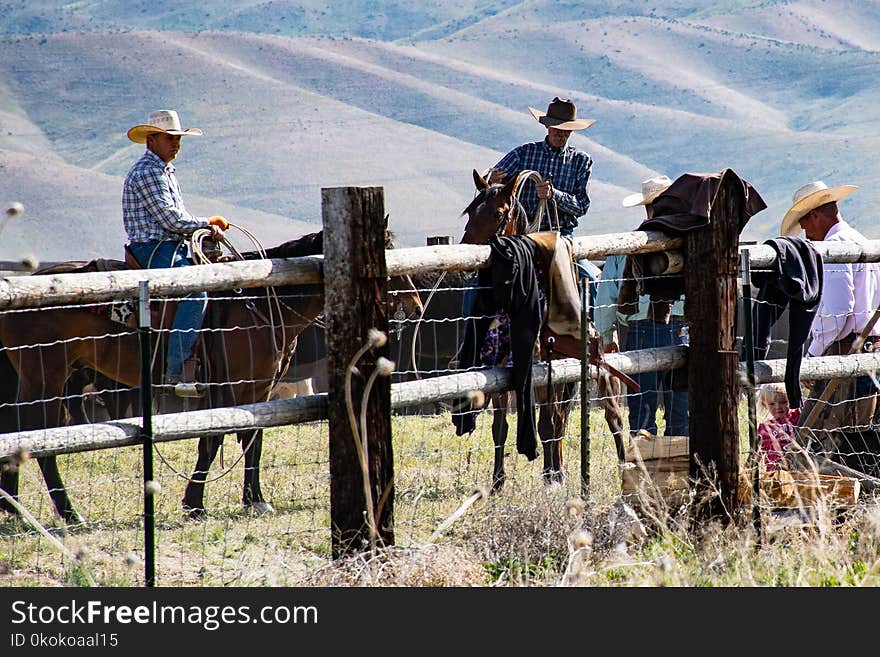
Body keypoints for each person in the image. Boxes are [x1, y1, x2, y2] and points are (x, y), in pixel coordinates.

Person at [123, 109, 229, 395]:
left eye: (178, 138)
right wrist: (208, 223)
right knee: (196, 293)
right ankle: (176, 369)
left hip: (170, 245)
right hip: (152, 248)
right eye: (169, 138)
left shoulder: (164, 170)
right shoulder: (148, 172)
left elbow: (176, 217)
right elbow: (171, 220)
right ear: (151, 141)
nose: (176, 144)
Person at [780, 180, 880, 432]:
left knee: (824, 436)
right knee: (858, 433)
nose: (806, 234)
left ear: (814, 215)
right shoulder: (862, 241)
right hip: (869, 351)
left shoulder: (833, 248)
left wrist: (812, 357)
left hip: (844, 351)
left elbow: (837, 312)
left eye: (805, 226)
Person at [594, 175, 688, 437]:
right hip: (681, 328)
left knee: (642, 408)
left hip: (640, 330)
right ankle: (680, 470)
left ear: (647, 209)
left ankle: (644, 471)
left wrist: (603, 336)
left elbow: (606, 296)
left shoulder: (629, 245)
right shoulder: (687, 241)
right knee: (680, 406)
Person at [487, 97, 595, 238]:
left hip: (560, 233)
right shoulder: (524, 153)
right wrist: (491, 180)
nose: (561, 133)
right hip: (521, 231)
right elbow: (487, 181)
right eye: (557, 127)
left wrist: (553, 195)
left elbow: (581, 207)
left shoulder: (581, 160)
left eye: (567, 130)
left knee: (576, 260)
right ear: (547, 126)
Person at [756, 382, 800, 472]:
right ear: (765, 405)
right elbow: (757, 454)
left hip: (798, 470)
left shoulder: (796, 416)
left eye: (783, 402)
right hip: (774, 472)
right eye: (772, 404)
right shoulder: (765, 428)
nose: (778, 407)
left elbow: (811, 403)